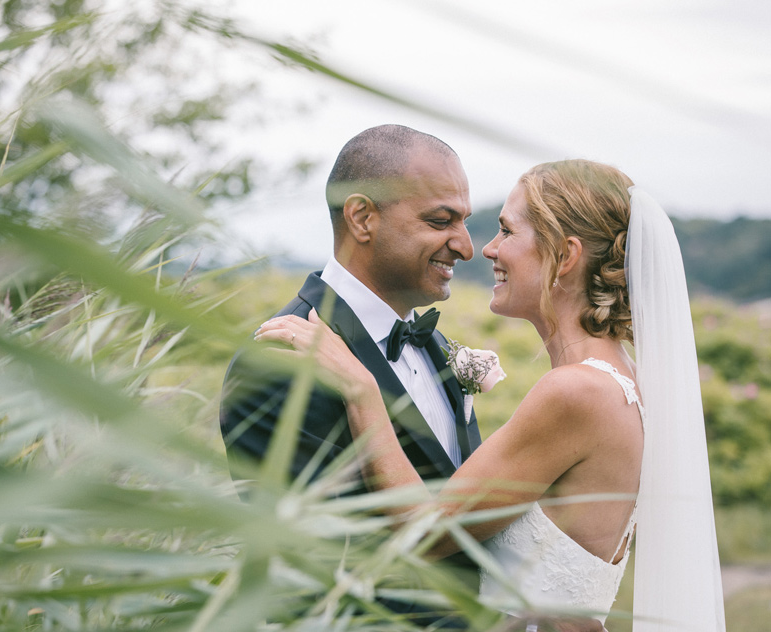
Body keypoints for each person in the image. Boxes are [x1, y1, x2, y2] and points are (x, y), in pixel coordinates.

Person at [255, 160, 726, 631]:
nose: (487, 249)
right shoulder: (624, 379)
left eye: (506, 231)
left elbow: (430, 534)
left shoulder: (578, 391)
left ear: (564, 256)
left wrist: (361, 390)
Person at [219, 124, 482, 626]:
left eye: (464, 222)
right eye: (441, 220)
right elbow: (301, 579)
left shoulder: (438, 346)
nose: (466, 247)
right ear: (362, 217)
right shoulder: (281, 361)